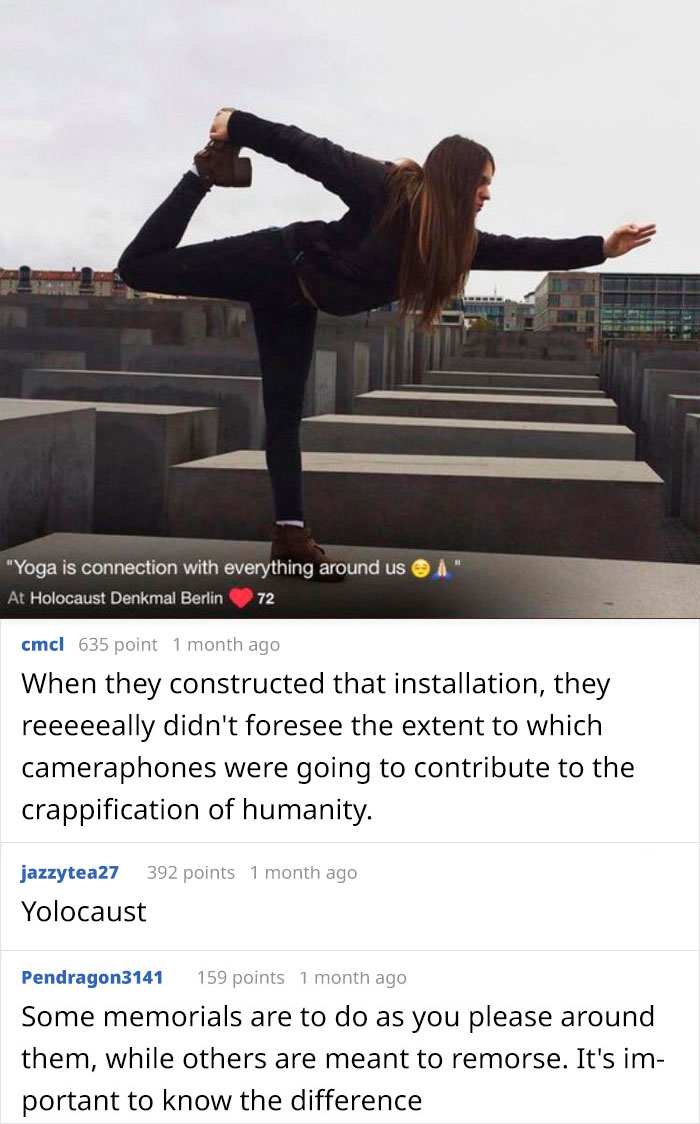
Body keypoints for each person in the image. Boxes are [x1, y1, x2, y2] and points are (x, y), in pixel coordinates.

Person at [118, 108, 655, 581]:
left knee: (284, 413)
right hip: (277, 260)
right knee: (139, 268)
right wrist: (239, 125)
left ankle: (289, 536)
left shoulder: (451, 243)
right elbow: (308, 150)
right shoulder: (385, 188)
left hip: (297, 301)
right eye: (483, 182)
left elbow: (525, 251)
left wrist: (601, 248)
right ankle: (201, 174)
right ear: (458, 176)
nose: (488, 194)